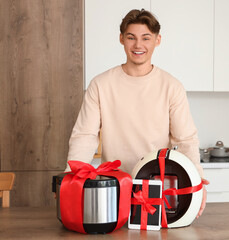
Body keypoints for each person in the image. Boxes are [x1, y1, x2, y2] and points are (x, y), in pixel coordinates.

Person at [65, 9, 209, 218]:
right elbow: (85, 136)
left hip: (157, 189)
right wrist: (71, 179)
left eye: (146, 38)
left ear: (157, 40)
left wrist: (198, 182)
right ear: (121, 39)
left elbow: (185, 139)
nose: (138, 45)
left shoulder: (172, 86)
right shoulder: (101, 84)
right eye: (131, 37)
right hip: (113, 188)